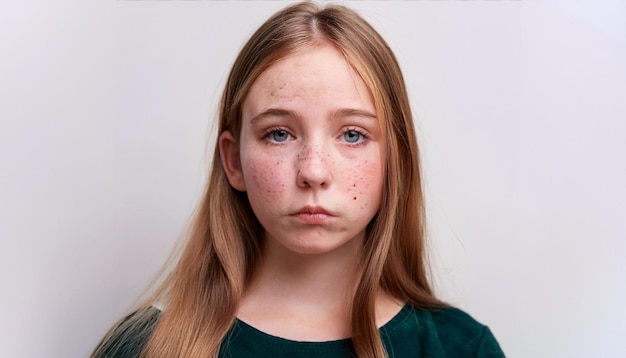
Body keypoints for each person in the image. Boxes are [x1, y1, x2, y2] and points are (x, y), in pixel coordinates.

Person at [92, 2, 504, 357]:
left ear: (394, 161)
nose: (313, 171)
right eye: (279, 134)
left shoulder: (461, 348)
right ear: (233, 161)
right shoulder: (144, 347)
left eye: (353, 135)